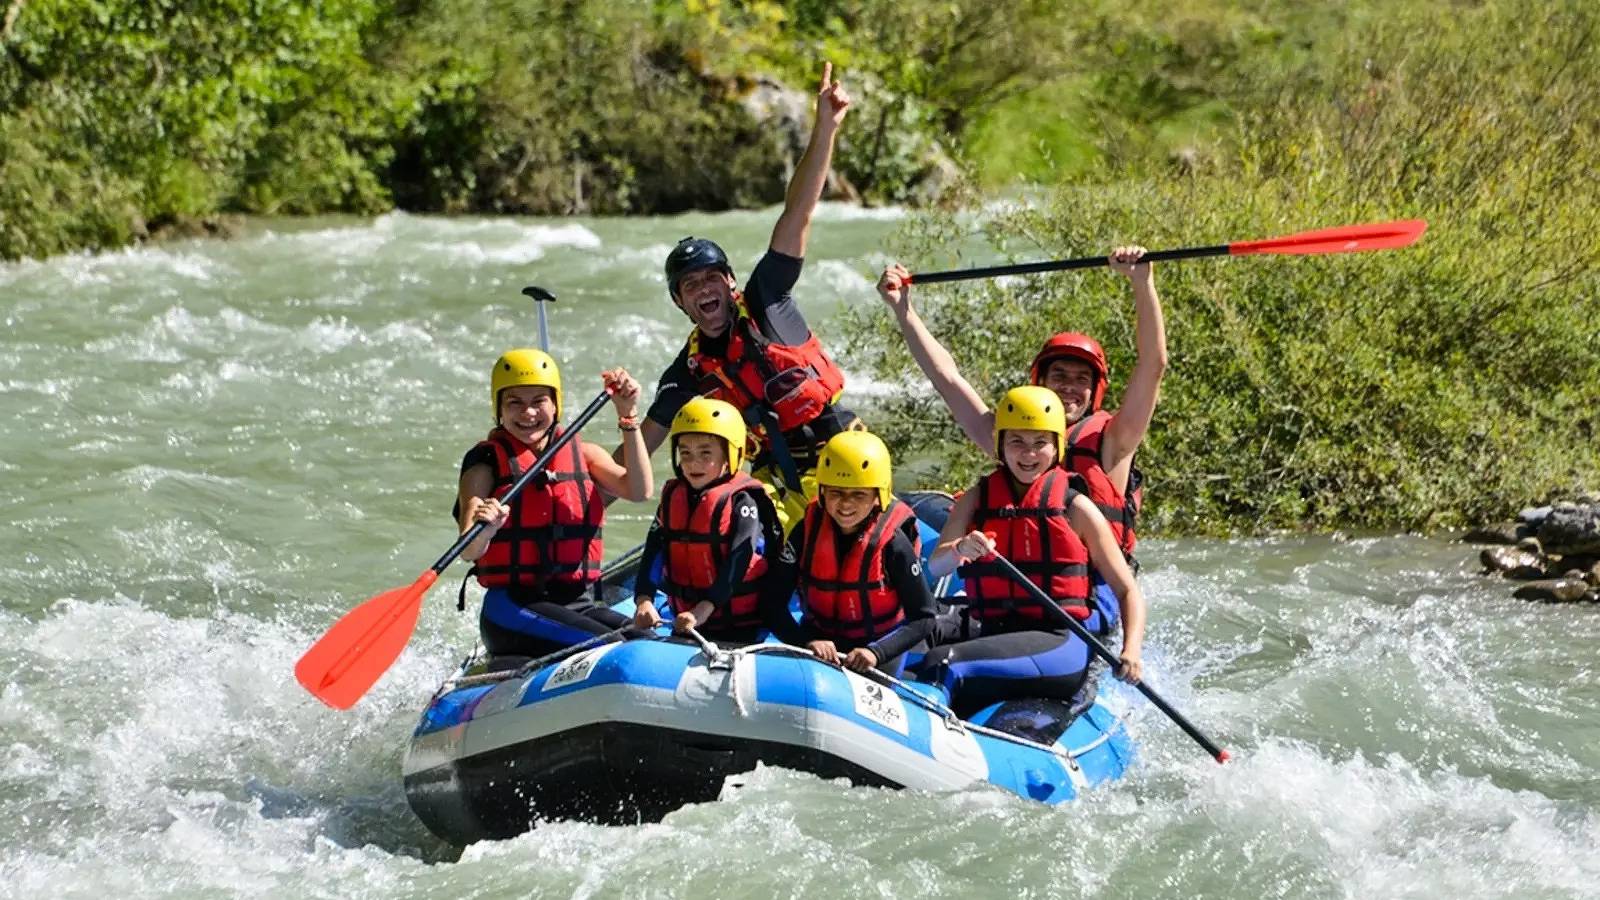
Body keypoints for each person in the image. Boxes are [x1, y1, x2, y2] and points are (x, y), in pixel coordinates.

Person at [876, 248, 1166, 621]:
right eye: (1059, 376)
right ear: (1040, 382)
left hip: (1090, 590)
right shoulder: (1013, 435)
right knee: (909, 508)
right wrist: (904, 310)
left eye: (1082, 380)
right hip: (1020, 580)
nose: (1069, 388)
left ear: (1096, 392)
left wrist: (1143, 284)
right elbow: (947, 380)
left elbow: (1153, 364)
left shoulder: (1113, 441)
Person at [630, 62, 858, 532]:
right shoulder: (687, 373)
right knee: (734, 514)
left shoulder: (767, 300)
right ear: (680, 304)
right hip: (777, 477)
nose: (704, 290)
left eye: (711, 278)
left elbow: (799, 211)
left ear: (730, 283)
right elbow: (639, 450)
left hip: (841, 458)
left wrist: (825, 128)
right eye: (690, 286)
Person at [916, 386, 1146, 717]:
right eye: (1017, 442)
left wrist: (1132, 650)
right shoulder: (977, 498)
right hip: (992, 624)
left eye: (1040, 443)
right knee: (911, 628)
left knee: (945, 661)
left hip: (1058, 640)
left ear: (1057, 447)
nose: (1028, 454)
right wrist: (960, 549)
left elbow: (1127, 590)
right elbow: (935, 567)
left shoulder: (1076, 507)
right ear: (1001, 445)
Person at [457, 349, 652, 658]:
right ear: (499, 408)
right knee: (619, 651)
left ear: (555, 404)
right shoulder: (485, 463)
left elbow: (639, 490)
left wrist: (628, 416)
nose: (528, 413)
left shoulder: (583, 454)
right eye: (515, 403)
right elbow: (468, 550)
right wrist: (486, 529)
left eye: (538, 401)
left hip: (578, 602)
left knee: (648, 640)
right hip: (513, 609)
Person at [759, 431, 937, 675]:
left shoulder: (894, 543)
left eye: (858, 494)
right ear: (822, 492)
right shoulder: (806, 531)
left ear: (878, 496)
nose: (845, 504)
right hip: (817, 645)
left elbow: (925, 618)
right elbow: (772, 603)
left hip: (877, 650)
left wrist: (876, 653)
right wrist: (805, 641)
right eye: (836, 493)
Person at [631, 397, 783, 645]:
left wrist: (705, 607)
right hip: (687, 621)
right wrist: (644, 599)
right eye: (686, 453)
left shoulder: (744, 501)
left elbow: (739, 560)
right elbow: (653, 552)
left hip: (740, 626)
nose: (693, 463)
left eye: (705, 454)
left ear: (731, 455)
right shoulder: (672, 497)